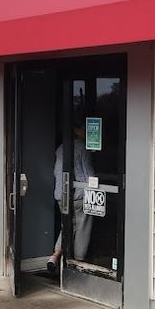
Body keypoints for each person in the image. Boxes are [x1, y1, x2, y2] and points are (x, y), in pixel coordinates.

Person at [47, 117, 95, 274]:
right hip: (78, 195)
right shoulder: (82, 148)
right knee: (82, 226)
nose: (87, 132)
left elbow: (56, 172)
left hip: (61, 194)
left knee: (67, 225)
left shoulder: (61, 148)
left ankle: (55, 255)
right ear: (77, 131)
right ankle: (79, 263)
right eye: (84, 129)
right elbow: (90, 176)